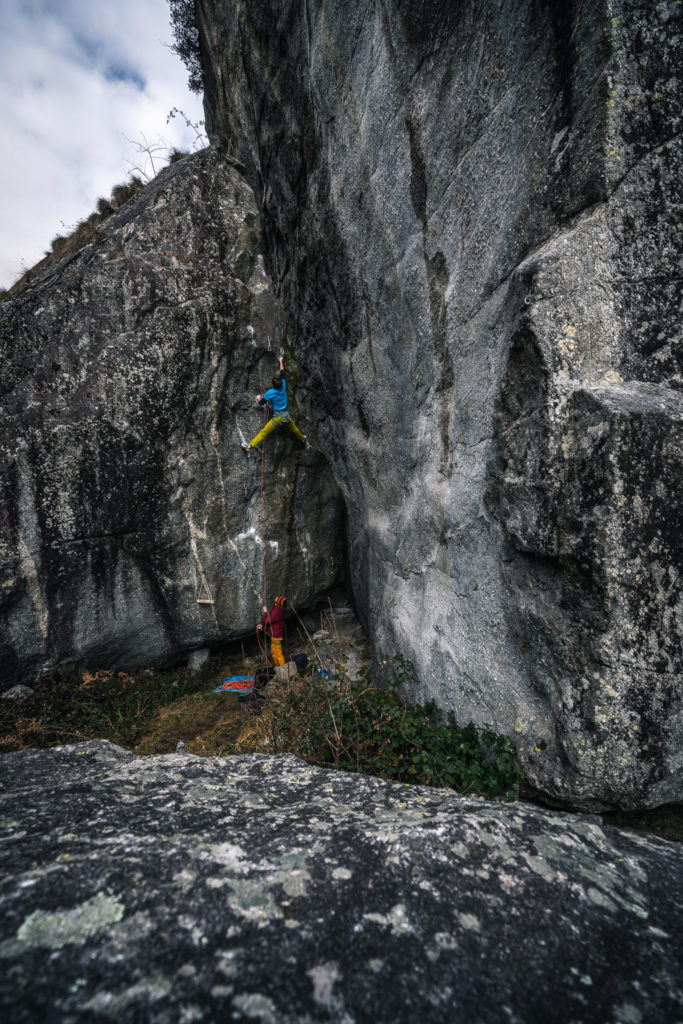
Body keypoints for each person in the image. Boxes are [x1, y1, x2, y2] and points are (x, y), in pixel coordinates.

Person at [241, 355, 305, 452]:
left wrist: (259, 398)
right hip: (285, 416)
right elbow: (282, 372)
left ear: (273, 384)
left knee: (263, 433)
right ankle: (302, 438)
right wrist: (281, 361)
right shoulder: (283, 385)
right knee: (294, 429)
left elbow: (262, 402)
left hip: (277, 418)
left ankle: (250, 447)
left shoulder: (270, 393)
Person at [256, 595, 287, 666]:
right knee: (274, 652)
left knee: (278, 653)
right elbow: (272, 621)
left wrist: (265, 612)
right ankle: (278, 667)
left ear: (278, 602)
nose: (276, 597)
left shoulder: (277, 611)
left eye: (277, 598)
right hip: (275, 636)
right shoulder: (278, 608)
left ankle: (283, 669)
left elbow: (267, 620)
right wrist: (263, 626)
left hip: (276, 636)